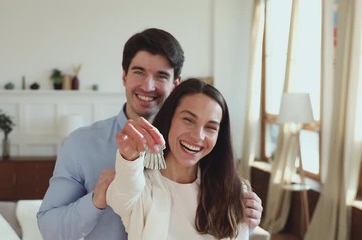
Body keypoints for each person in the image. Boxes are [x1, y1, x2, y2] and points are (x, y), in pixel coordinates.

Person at [37, 28, 262, 239]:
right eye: (139, 72)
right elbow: (49, 228)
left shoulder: (197, 154)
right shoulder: (82, 144)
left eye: (161, 76)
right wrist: (96, 199)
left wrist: (245, 220)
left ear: (176, 84)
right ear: (124, 76)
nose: (148, 86)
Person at [107, 78, 251, 239]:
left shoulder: (233, 191)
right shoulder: (141, 188)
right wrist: (129, 157)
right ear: (170, 119)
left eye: (210, 127)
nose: (198, 136)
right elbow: (120, 199)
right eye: (188, 120)